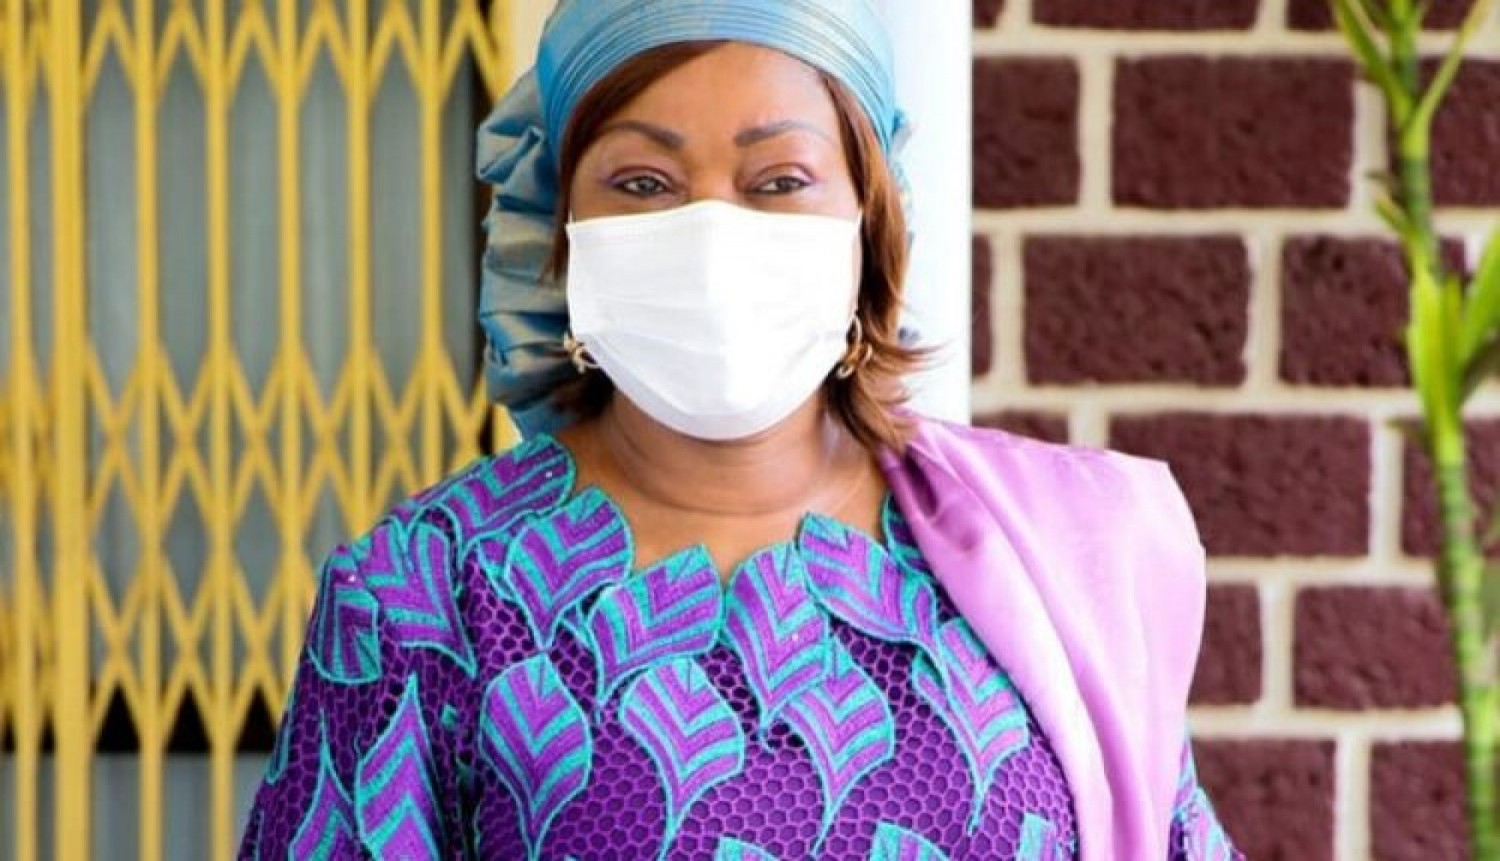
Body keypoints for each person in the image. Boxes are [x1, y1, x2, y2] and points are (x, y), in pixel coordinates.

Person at [239, 1, 1241, 859]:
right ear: (559, 232)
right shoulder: (425, 596)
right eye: (644, 182)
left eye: (778, 180)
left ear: (869, 224)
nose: (712, 234)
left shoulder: (1057, 554)